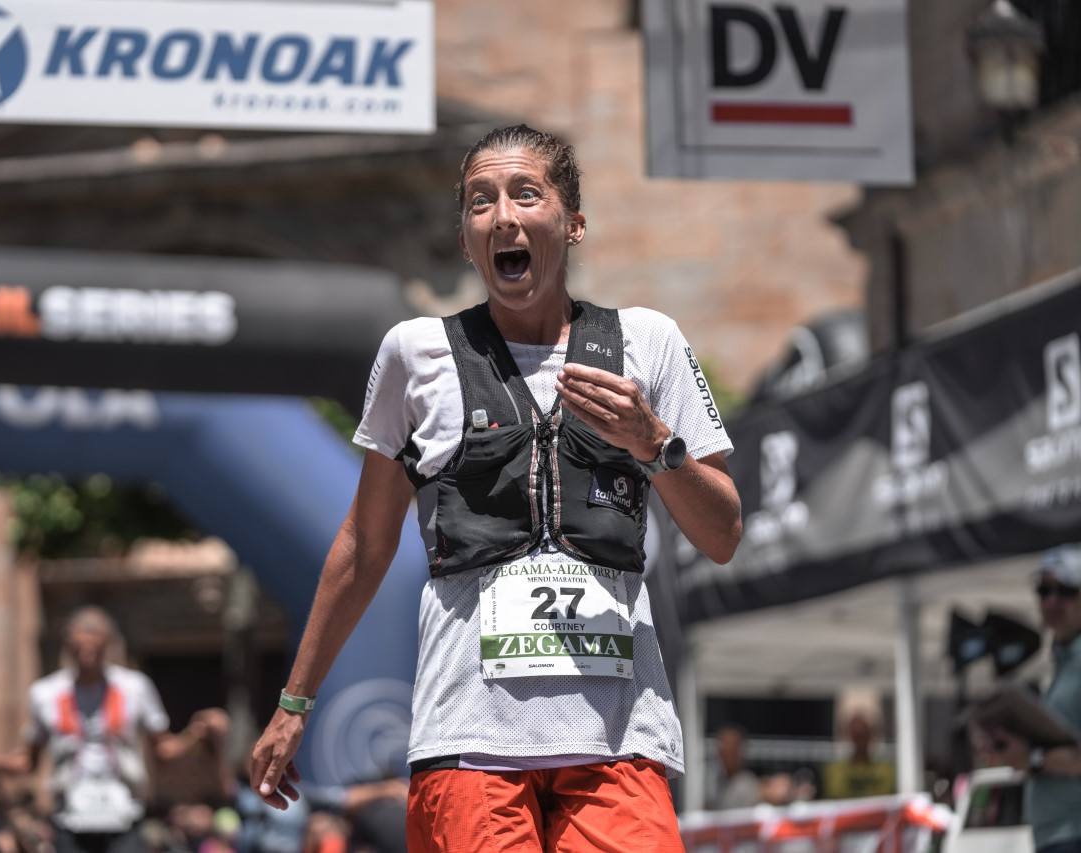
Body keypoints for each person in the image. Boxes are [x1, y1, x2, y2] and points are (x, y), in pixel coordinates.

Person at [250, 124, 742, 851]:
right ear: (464, 240)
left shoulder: (649, 341)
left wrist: (654, 444)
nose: (503, 215)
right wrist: (294, 702)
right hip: (469, 741)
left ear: (573, 224)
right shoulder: (414, 353)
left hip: (619, 741)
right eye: (481, 202)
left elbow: (724, 534)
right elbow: (365, 543)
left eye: (526, 194)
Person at [0, 607, 229, 853]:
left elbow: (163, 750)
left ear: (108, 645)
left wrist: (198, 731)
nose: (87, 655)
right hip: (69, 819)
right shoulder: (46, 693)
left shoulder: (135, 688)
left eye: (95, 648)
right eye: (79, 648)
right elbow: (27, 761)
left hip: (124, 817)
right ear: (68, 647)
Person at [979, 545, 1081, 853]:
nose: (1051, 601)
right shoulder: (1063, 663)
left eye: (1065, 590)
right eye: (1043, 590)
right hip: (1056, 834)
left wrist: (1033, 759)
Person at [821, 711, 895, 800]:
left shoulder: (885, 770)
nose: (860, 741)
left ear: (870, 736)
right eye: (857, 736)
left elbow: (885, 794)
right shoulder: (835, 770)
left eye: (864, 735)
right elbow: (836, 794)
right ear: (850, 736)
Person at [705, 726, 761, 810]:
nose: (725, 756)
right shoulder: (714, 781)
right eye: (722, 751)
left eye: (731, 752)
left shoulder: (748, 784)